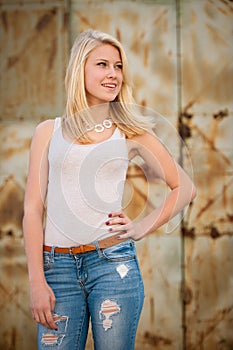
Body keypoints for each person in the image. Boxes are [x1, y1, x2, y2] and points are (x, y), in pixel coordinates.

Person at [23, 29, 196, 350]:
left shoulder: (130, 131)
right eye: (102, 64)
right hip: (56, 271)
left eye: (118, 67)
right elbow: (33, 210)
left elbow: (185, 187)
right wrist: (36, 280)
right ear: (80, 70)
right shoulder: (48, 131)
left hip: (113, 265)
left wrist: (142, 225)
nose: (113, 74)